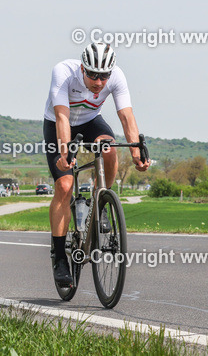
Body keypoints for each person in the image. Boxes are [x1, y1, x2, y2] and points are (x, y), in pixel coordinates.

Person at [44, 42, 149, 289]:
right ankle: (60, 258)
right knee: (65, 184)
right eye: (92, 75)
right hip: (59, 125)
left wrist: (136, 152)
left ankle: (100, 199)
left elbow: (126, 115)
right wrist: (65, 154)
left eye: (104, 76)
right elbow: (62, 116)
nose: (99, 82)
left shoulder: (117, 76)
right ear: (82, 68)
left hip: (91, 122)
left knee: (109, 148)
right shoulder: (63, 72)